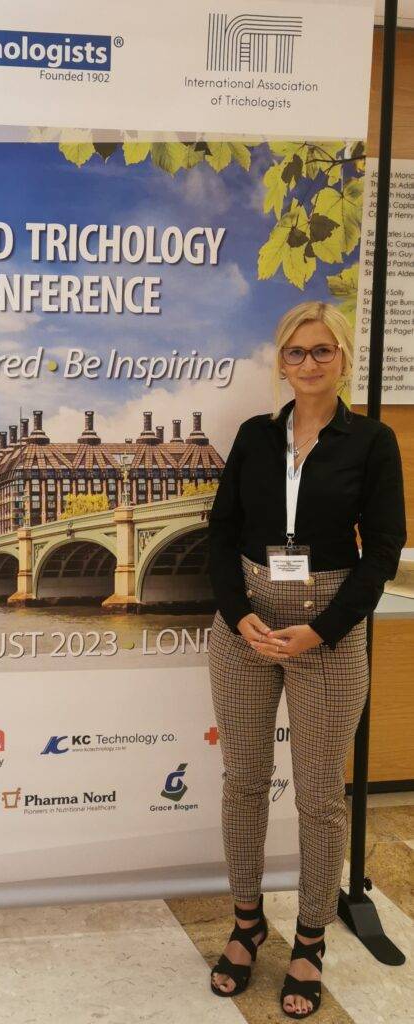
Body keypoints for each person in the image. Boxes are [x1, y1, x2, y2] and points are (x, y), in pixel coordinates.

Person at [205, 301, 406, 1018]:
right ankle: (245, 920)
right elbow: (220, 531)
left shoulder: (372, 442)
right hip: (247, 626)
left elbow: (380, 552)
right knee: (243, 781)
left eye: (322, 351)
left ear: (342, 358)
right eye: (295, 352)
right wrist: (239, 615)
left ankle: (311, 937)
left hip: (327, 628)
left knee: (320, 797)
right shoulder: (255, 437)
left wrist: (319, 631)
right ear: (280, 361)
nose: (308, 364)